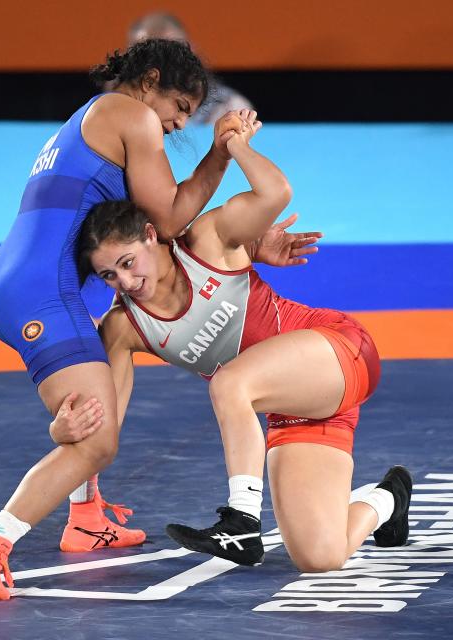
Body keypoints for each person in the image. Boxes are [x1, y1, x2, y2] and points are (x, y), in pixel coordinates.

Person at [0, 38, 258, 601]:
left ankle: (86, 515)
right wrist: (222, 151)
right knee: (95, 440)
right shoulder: (130, 114)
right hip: (41, 293)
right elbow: (168, 217)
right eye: (179, 108)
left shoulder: (89, 118)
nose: (174, 125)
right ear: (151, 79)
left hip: (10, 281)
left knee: (116, 336)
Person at [62, 122, 412, 572]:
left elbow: (276, 193)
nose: (126, 283)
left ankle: (241, 521)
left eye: (128, 263)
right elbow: (104, 425)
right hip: (297, 406)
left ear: (151, 235)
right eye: (110, 275)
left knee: (229, 382)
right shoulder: (124, 326)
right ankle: (389, 498)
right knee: (319, 556)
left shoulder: (207, 240)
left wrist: (234, 147)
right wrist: (81, 495)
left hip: (340, 352)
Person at [127, 12, 253, 125]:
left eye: (168, 53)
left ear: (189, 52)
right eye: (144, 54)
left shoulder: (229, 107)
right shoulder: (114, 105)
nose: (156, 63)